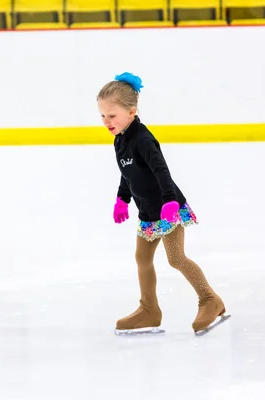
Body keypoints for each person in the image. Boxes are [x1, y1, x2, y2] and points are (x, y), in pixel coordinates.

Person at [97, 72, 229, 336]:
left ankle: (210, 300)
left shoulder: (143, 139)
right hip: (147, 212)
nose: (106, 122)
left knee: (176, 258)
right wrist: (122, 199)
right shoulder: (120, 139)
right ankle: (149, 310)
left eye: (112, 116)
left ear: (132, 111)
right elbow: (129, 173)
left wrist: (169, 201)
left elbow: (161, 171)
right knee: (142, 259)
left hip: (167, 208)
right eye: (102, 116)